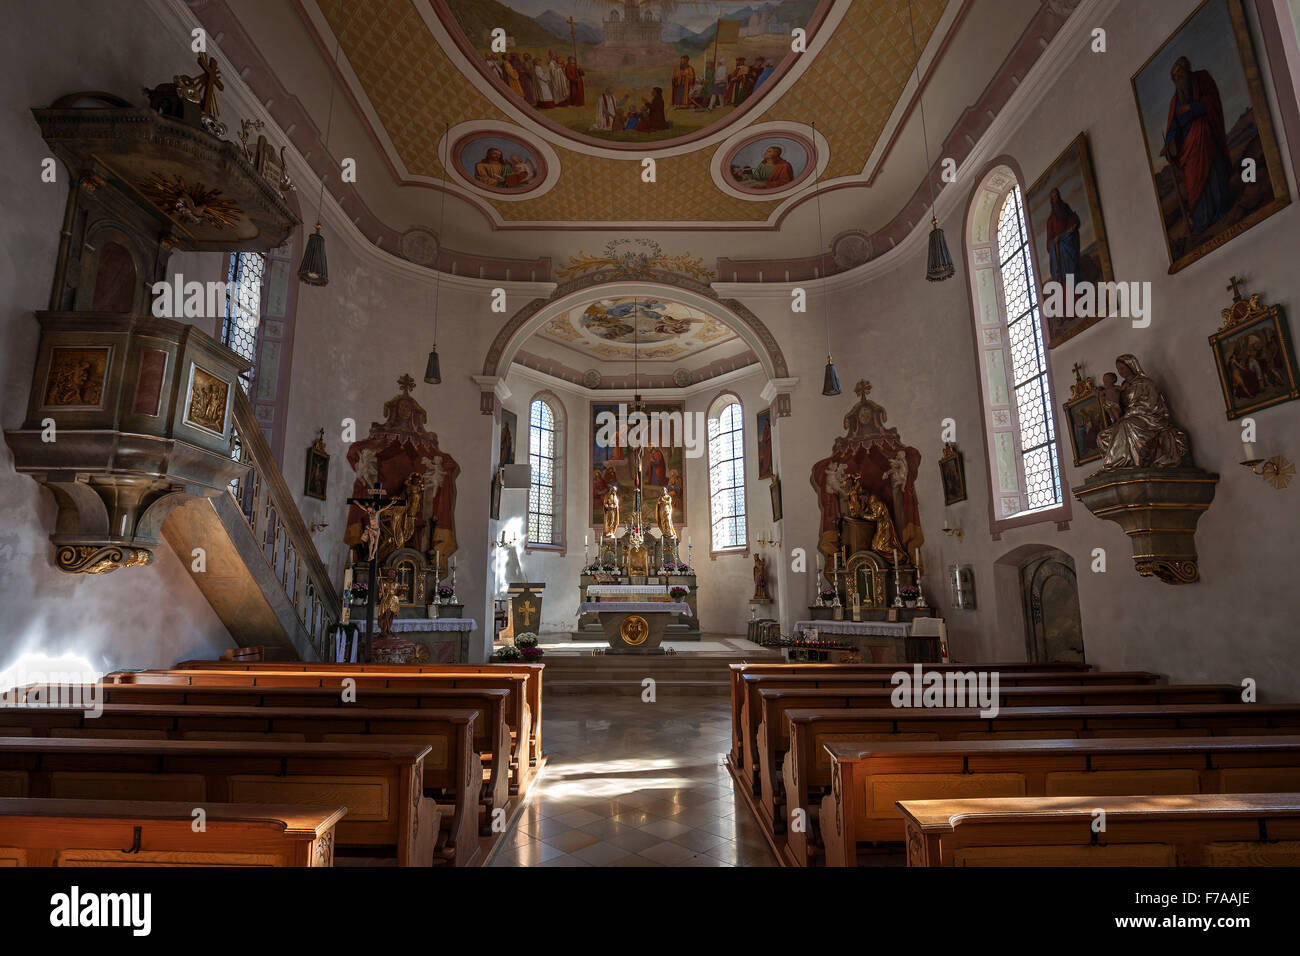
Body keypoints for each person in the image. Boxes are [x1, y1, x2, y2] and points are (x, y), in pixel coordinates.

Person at [1161, 55, 1232, 236]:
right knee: (1194, 184)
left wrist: (1192, 108)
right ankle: (1203, 220)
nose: (1178, 79)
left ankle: (1222, 209)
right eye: (1175, 77)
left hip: (1206, 136)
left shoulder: (1202, 79)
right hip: (1189, 148)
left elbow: (1212, 101)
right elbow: (1173, 128)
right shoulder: (1175, 101)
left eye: (1180, 74)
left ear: (1187, 70)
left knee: (1214, 174)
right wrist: (1169, 145)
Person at [1096, 354, 1190, 470]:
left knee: (1127, 425)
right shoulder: (1123, 388)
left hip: (1147, 418)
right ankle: (1117, 468)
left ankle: (1125, 464)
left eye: (1122, 368)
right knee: (1103, 436)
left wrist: (1130, 413)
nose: (1121, 372)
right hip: (1127, 419)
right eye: (1118, 370)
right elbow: (1118, 408)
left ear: (1131, 366)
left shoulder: (1146, 383)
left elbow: (1154, 405)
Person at [1045, 187, 1082, 288]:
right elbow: (1049, 244)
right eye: (1053, 198)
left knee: (1074, 270)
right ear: (1051, 201)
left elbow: (1074, 223)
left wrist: (1065, 235)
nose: (1055, 199)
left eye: (1056, 196)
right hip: (1060, 251)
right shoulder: (1050, 220)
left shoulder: (1066, 209)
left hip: (1070, 244)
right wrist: (1055, 241)